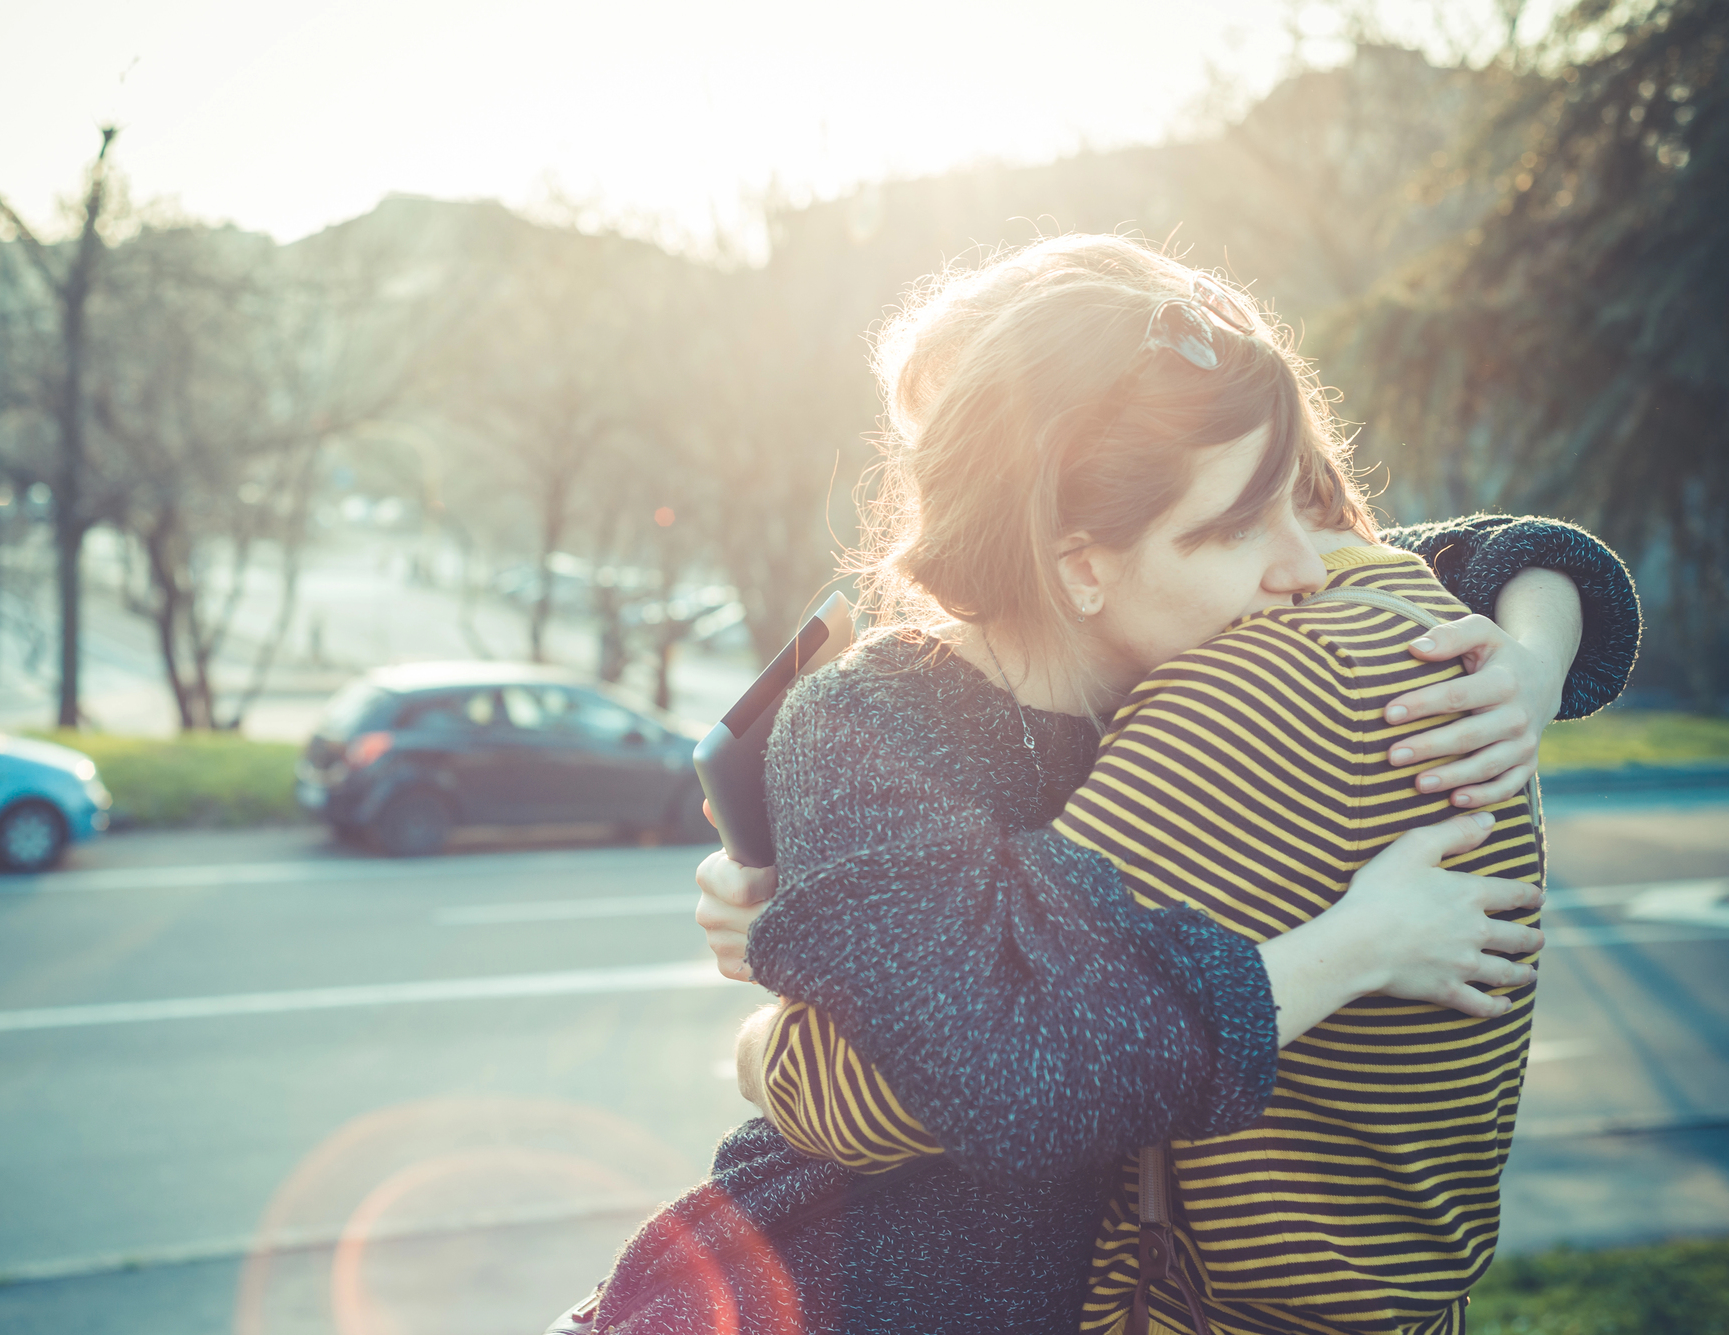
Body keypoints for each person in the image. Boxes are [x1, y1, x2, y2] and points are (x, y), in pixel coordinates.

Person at [582, 235, 1638, 1335]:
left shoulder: (1194, 615)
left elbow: (1484, 553)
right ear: (1076, 554)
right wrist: (1358, 946)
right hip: (874, 1282)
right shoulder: (883, 718)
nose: (1304, 565)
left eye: (1298, 498)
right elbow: (995, 1065)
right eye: (1244, 523)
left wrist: (1526, 659)